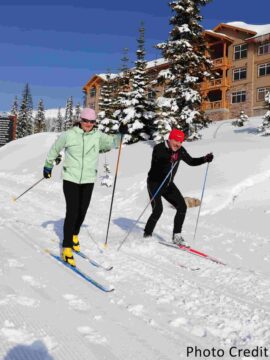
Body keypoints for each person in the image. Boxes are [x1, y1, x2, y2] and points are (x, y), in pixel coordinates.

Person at [43, 108, 121, 267]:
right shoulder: (69, 135)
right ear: (80, 120)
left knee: (82, 211)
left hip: (88, 179)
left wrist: (121, 133)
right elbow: (55, 149)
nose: (88, 124)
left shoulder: (98, 136)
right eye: (86, 121)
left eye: (92, 122)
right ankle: (66, 246)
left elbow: (114, 143)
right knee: (72, 211)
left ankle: (74, 235)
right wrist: (48, 166)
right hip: (70, 178)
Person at [144, 128, 213, 246]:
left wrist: (204, 159)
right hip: (155, 183)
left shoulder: (180, 151)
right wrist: (169, 158)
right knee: (158, 210)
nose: (178, 144)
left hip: (168, 184)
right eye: (176, 141)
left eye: (181, 142)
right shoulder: (159, 148)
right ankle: (147, 235)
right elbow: (158, 160)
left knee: (182, 206)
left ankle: (177, 236)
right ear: (170, 138)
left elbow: (191, 161)